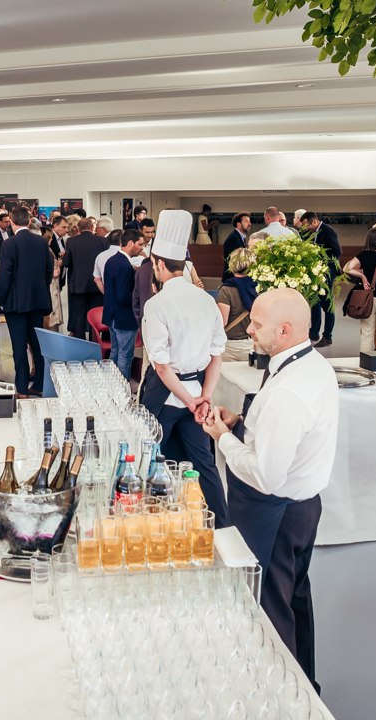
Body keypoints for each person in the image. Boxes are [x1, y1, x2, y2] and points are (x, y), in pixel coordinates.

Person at [201, 288, 338, 692]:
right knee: (294, 596)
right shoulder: (309, 364)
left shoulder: (288, 392)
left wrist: (221, 436)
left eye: (257, 324)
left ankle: (282, 695)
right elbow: (282, 435)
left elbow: (266, 474)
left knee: (269, 606)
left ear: (284, 329)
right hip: (303, 506)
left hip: (273, 510)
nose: (249, 329)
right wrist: (241, 421)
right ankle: (305, 683)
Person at [139, 209, 229, 527]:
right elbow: (217, 354)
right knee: (203, 464)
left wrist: (189, 401)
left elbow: (162, 367)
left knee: (154, 460)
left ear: (160, 265)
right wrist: (203, 397)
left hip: (166, 396)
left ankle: (160, 522)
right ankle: (220, 525)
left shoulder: (157, 304)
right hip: (196, 390)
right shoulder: (206, 299)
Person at [0, 208, 53, 398]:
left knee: (19, 346)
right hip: (37, 301)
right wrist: (39, 288)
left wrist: (1, 299)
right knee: (37, 345)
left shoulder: (9, 244)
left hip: (16, 303)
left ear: (12, 222)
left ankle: (21, 388)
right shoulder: (41, 242)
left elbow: (5, 275)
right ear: (29, 222)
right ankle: (39, 384)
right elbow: (49, 269)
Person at [103, 230, 147, 379]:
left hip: (112, 314)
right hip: (124, 317)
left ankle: (111, 384)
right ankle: (122, 389)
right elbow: (123, 296)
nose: (142, 248)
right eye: (140, 244)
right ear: (130, 243)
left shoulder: (111, 260)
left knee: (115, 352)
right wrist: (139, 298)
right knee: (125, 356)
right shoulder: (124, 265)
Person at [298, 212, 341, 348]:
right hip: (314, 273)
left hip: (327, 273)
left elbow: (337, 252)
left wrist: (321, 259)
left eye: (307, 225)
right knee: (315, 304)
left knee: (328, 306)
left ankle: (327, 336)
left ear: (314, 222)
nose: (306, 228)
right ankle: (314, 332)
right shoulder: (308, 233)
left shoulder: (328, 231)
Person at [61, 217, 108, 339]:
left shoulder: (71, 241)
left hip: (78, 284)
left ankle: (81, 343)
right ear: (92, 228)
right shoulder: (102, 241)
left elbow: (66, 263)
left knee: (79, 316)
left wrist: (63, 257)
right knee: (95, 316)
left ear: (78, 228)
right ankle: (95, 342)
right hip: (96, 285)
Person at [216, 248, 258, 361]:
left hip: (230, 347)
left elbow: (222, 322)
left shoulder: (226, 290)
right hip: (253, 345)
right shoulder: (259, 287)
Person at [223, 212, 251, 281]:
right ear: (239, 224)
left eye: (249, 221)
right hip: (233, 280)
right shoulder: (233, 238)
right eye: (246, 221)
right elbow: (234, 262)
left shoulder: (240, 237)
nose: (250, 224)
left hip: (237, 278)